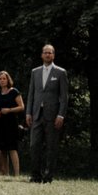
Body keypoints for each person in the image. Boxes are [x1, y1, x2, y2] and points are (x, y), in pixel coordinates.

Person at [24, 44, 69, 183]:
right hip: (36, 114)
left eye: (50, 53)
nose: (47, 55)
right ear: (41, 55)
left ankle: (48, 176)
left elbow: (64, 97)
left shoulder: (60, 72)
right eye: (45, 52)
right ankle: (35, 175)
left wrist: (61, 115)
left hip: (53, 115)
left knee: (51, 146)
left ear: (53, 55)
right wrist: (28, 112)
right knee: (34, 145)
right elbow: (31, 94)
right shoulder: (35, 72)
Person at [0, 68, 25, 176]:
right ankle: (6, 172)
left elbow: (21, 107)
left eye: (4, 78)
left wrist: (9, 110)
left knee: (12, 148)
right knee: (2, 149)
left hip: (11, 123)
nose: (2, 80)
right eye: (0, 79)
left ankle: (17, 174)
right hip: (0, 123)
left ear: (8, 80)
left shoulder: (14, 92)